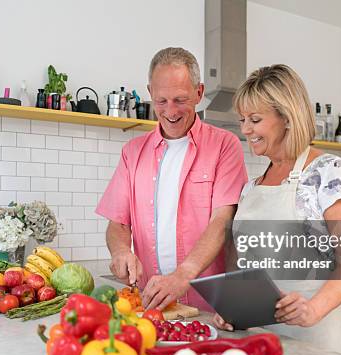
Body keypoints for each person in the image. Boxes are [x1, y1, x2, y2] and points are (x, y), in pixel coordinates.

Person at [213, 64, 341, 355]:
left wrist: (313, 309)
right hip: (263, 335)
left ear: (286, 117)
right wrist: (234, 308)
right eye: (243, 119)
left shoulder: (328, 173)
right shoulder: (250, 187)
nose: (245, 130)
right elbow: (240, 263)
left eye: (255, 119)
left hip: (319, 333)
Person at [95, 47, 248, 311]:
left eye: (180, 100)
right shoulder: (132, 153)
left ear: (199, 93)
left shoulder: (225, 145)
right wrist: (120, 251)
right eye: (161, 101)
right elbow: (118, 222)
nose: (171, 111)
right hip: (151, 305)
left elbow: (222, 220)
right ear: (150, 92)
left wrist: (183, 275)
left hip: (209, 305)